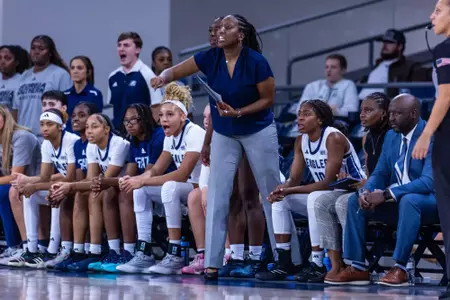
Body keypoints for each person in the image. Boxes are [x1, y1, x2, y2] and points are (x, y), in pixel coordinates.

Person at [151, 14, 301, 279]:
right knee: (218, 195)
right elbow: (177, 70)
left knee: (270, 193)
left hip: (258, 130)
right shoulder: (210, 57)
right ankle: (212, 261)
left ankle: (288, 258)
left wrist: (240, 112)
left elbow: (268, 99)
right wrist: (163, 77)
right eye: (218, 27)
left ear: (240, 34)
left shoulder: (256, 61)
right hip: (224, 132)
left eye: (227, 27)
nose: (220, 31)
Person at [328, 94, 438, 287]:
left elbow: (428, 182)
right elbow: (380, 172)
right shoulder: (391, 136)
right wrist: (366, 191)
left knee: (409, 199)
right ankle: (358, 267)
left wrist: (386, 194)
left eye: (397, 114)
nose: (391, 118)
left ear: (413, 114)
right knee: (355, 200)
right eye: (391, 113)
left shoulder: (431, 134)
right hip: (401, 203)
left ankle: (400, 267)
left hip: (431, 203)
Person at [255, 100, 365, 282]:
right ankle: (284, 262)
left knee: (315, 197)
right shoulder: (301, 141)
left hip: (349, 192)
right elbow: (294, 178)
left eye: (306, 114)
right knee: (280, 201)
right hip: (326, 194)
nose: (300, 118)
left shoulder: (333, 137)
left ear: (320, 120)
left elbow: (328, 182)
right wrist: (283, 188)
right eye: (299, 114)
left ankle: (318, 264)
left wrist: (290, 190)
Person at [118, 82, 204, 274]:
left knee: (170, 187)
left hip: (202, 187)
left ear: (183, 116)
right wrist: (136, 180)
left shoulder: (195, 133)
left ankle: (174, 254)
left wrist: (142, 179)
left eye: (170, 115)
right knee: (140, 189)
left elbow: (181, 174)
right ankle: (144, 252)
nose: (163, 119)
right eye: (162, 115)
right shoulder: (169, 136)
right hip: (188, 188)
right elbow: (156, 169)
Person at [313, 92, 390, 283]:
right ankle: (335, 264)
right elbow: (370, 172)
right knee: (322, 201)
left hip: (385, 193)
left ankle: (356, 264)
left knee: (343, 203)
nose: (362, 114)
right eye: (362, 110)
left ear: (384, 114)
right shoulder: (366, 138)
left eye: (369, 110)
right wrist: (355, 180)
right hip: (368, 188)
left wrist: (367, 184)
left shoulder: (392, 136)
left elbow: (389, 173)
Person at [89, 103, 172, 273]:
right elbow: (130, 174)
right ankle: (114, 251)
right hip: (145, 187)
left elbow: (150, 173)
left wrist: (109, 181)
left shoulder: (158, 137)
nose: (129, 124)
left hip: (164, 185)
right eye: (126, 121)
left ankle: (131, 250)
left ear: (146, 119)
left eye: (134, 119)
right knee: (113, 191)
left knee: (127, 192)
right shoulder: (134, 142)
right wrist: (110, 183)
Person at [51, 114, 129, 272]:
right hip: (110, 186)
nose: (89, 131)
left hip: (125, 187)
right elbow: (90, 178)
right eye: (87, 127)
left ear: (106, 129)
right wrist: (66, 187)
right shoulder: (91, 146)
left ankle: (99, 251)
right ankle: (79, 251)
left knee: (96, 193)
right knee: (82, 193)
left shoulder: (119, 144)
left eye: (94, 127)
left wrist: (69, 186)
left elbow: (105, 180)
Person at [9, 109, 79, 268]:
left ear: (60, 126)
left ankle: (52, 250)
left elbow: (70, 178)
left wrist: (34, 185)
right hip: (63, 185)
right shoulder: (46, 144)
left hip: (77, 186)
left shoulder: (71, 141)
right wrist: (31, 185)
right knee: (30, 194)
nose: (44, 128)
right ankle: (32, 249)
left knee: (54, 190)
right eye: (42, 125)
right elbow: (45, 177)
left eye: (50, 124)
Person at [412, 1, 450, 298]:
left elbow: (445, 95)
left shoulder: (444, 50)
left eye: (438, 10)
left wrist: (425, 134)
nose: (431, 16)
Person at [47, 102, 99, 271]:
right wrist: (65, 187)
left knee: (83, 194)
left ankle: (90, 250)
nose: (75, 119)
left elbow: (93, 178)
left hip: (104, 186)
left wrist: (69, 186)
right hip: (88, 184)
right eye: (74, 115)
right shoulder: (78, 144)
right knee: (68, 194)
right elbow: (78, 178)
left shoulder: (95, 142)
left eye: (82, 115)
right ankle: (69, 249)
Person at [0, 105, 40, 265]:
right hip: (16, 184)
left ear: (5, 117)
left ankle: (16, 245)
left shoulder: (21, 137)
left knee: (3, 192)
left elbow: (16, 176)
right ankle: (13, 245)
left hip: (36, 181)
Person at [12, 35, 72, 137]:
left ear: (50, 53)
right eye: (33, 48)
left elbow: (67, 107)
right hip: (23, 135)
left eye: (41, 48)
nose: (36, 51)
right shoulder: (23, 76)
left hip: (47, 135)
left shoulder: (60, 74)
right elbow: (15, 109)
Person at [108, 32, 162, 127]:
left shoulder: (148, 75)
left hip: (141, 135)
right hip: (118, 133)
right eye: (119, 45)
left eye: (126, 45)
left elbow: (157, 107)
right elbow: (111, 108)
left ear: (137, 49)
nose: (121, 49)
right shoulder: (113, 77)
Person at [359, 29, 432, 99]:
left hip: (381, 107)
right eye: (384, 42)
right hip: (362, 104)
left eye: (390, 42)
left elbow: (426, 73)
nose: (385, 45)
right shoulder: (378, 64)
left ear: (400, 46)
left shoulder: (408, 66)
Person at [298, 54, 359, 119]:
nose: (329, 70)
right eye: (326, 67)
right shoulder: (312, 86)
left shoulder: (348, 85)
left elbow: (352, 110)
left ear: (343, 70)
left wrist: (335, 111)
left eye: (333, 67)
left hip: (335, 122)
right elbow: (300, 108)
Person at [64, 56, 103, 132]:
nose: (75, 71)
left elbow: (96, 120)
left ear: (88, 72)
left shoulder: (95, 94)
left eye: (79, 68)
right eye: (72, 68)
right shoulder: (65, 94)